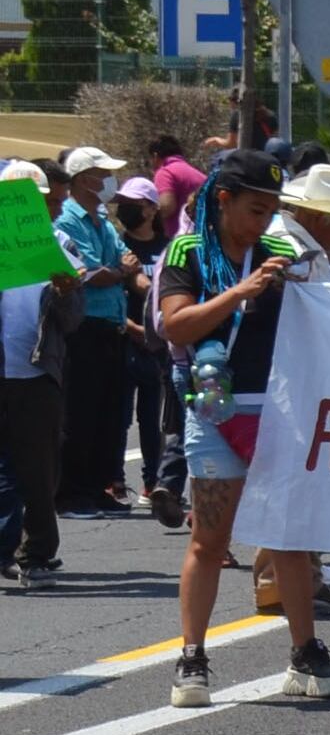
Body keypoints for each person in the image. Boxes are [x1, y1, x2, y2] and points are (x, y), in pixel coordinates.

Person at [156, 149, 330, 705]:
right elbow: (175, 324)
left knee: (288, 536)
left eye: (271, 212)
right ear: (223, 199)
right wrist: (241, 292)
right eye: (254, 210)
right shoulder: (189, 250)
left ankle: (305, 652)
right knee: (210, 540)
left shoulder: (277, 251)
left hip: (277, 409)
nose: (263, 223)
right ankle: (191, 659)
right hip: (217, 409)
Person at [0, 161, 82, 585]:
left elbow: (72, 321)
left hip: (35, 373)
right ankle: (6, 549)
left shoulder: (59, 243)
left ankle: (37, 552)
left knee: (39, 468)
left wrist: (68, 292)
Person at [53, 147, 136, 516]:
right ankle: (72, 491)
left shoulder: (101, 220)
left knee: (108, 414)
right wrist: (120, 271)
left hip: (111, 326)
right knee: (80, 413)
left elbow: (123, 259)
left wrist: (118, 269)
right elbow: (92, 273)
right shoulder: (69, 220)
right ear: (84, 179)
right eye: (103, 173)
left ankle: (98, 485)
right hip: (85, 326)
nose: (108, 180)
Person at [110, 176, 181, 523]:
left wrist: (151, 331)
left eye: (136, 203)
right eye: (123, 203)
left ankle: (153, 481)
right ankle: (115, 480)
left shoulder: (167, 248)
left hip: (158, 346)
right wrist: (134, 328)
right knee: (120, 415)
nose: (128, 210)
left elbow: (166, 293)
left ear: (152, 208)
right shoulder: (119, 247)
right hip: (126, 340)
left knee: (155, 418)